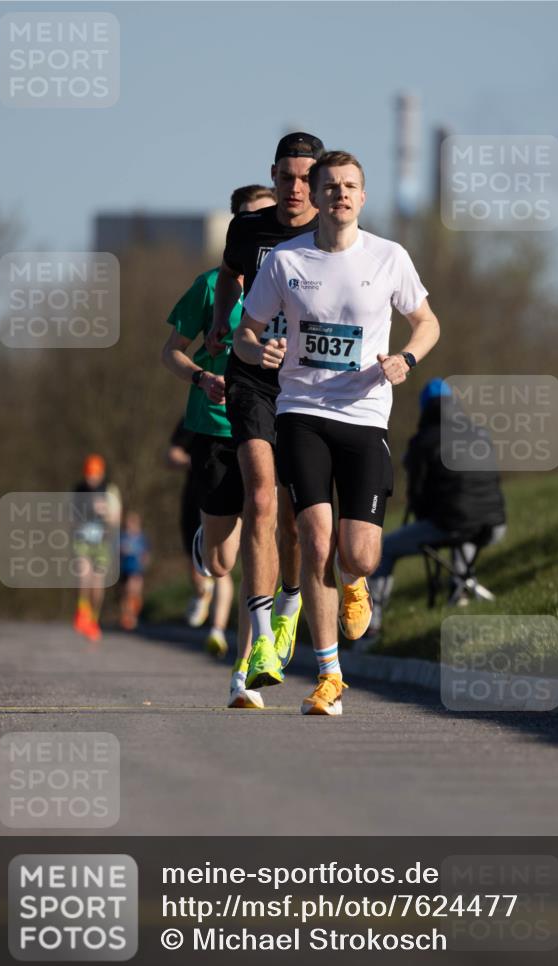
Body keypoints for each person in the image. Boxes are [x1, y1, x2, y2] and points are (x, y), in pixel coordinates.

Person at [233, 150, 440, 715]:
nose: (341, 195)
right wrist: (261, 348)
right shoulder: (285, 260)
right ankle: (329, 675)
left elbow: (427, 322)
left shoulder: (389, 257)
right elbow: (244, 333)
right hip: (301, 411)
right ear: (316, 197)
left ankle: (357, 582)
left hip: (366, 414)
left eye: (351, 186)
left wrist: (406, 359)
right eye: (331, 187)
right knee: (316, 540)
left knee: (361, 554)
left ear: (362, 197)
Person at [206, 133, 326, 691]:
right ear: (273, 176)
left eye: (306, 178)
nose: (295, 188)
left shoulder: (332, 234)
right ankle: (253, 656)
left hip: (309, 387)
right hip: (251, 374)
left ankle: (290, 606)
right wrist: (220, 322)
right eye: (286, 177)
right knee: (260, 497)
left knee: (298, 520)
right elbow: (230, 274)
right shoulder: (248, 230)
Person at [162, 184, 277, 707]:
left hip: (272, 424)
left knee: (264, 536)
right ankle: (204, 543)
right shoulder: (211, 287)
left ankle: (246, 669)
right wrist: (200, 379)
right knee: (222, 562)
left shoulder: (296, 282)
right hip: (215, 426)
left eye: (266, 218)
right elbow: (170, 352)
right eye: (249, 221)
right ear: (236, 230)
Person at [368, 378, 507, 630]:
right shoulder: (480, 433)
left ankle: (371, 625)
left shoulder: (423, 442)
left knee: (384, 549)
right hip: (495, 525)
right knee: (465, 525)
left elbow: (417, 496)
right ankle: (460, 590)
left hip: (453, 524)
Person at [166, 417, 230, 645]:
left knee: (223, 566)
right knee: (196, 560)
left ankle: (217, 630)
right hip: (196, 497)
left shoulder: (241, 408)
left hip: (227, 494)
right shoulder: (191, 419)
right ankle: (202, 592)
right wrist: (195, 461)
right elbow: (172, 456)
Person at [72, 454, 122, 641]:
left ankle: (93, 619)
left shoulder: (110, 490)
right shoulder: (78, 490)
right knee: (83, 573)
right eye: (87, 474)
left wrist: (105, 513)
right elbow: (70, 519)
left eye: (94, 474)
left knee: (97, 582)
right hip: (82, 540)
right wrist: (85, 512)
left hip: (103, 541)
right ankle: (81, 611)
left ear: (101, 474)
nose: (90, 478)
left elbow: (116, 520)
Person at [119, 510, 150, 630]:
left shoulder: (141, 538)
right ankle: (126, 617)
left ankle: (133, 616)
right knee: (125, 594)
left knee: (134, 591)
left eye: (133, 522)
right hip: (124, 569)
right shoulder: (122, 537)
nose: (130, 525)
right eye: (128, 522)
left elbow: (146, 554)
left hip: (137, 570)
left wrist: (144, 562)